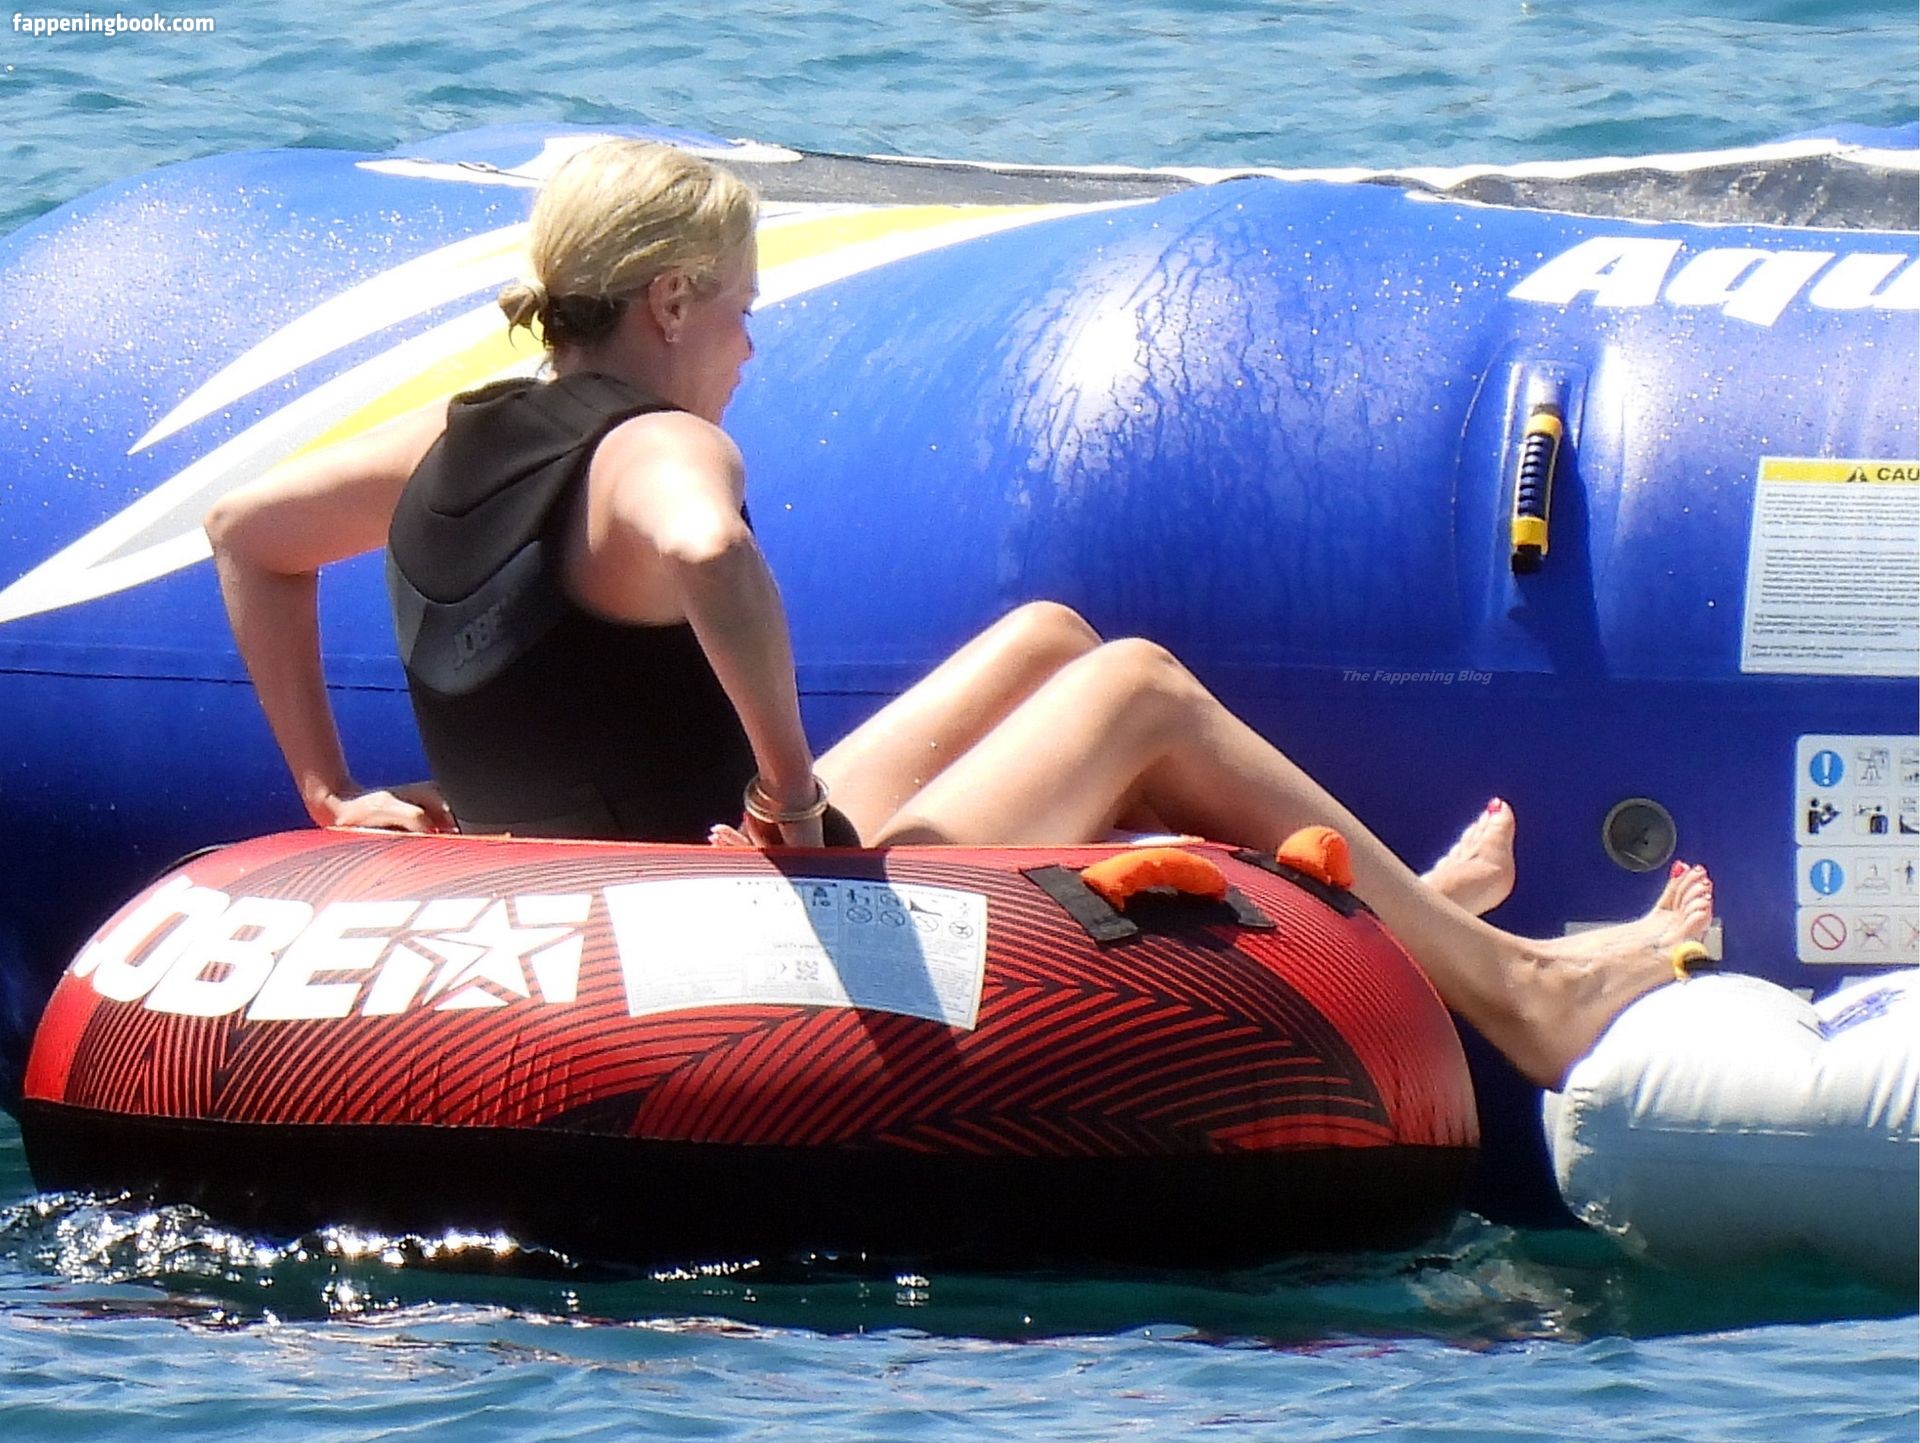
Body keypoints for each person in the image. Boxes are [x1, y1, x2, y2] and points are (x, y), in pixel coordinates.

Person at [204, 139, 1712, 1090]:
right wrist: (790, 795)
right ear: (665, 303)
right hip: (729, 896)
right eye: (736, 306)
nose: (749, 342)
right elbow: (710, 548)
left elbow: (245, 534)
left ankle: (1402, 918)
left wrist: (329, 791)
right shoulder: (655, 446)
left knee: (1049, 642)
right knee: (1137, 687)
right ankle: (1520, 993)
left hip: (602, 867)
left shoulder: (454, 437)